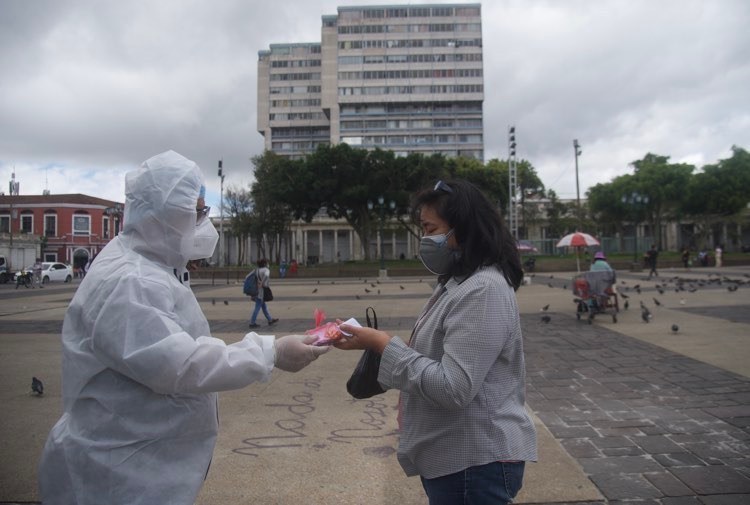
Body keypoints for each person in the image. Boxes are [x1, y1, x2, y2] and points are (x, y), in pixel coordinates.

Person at [37, 150, 329, 504]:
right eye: (198, 211)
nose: (204, 222)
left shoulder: (148, 265)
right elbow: (179, 364)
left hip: (138, 464)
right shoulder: (130, 280)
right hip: (118, 476)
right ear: (166, 214)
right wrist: (270, 352)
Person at [335, 179, 537, 504]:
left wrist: (383, 345)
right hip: (457, 459)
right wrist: (371, 342)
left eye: (430, 229)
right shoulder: (458, 284)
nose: (425, 240)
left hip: (475, 463)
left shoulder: (482, 290)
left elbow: (454, 387)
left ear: (463, 229)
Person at [248, 258, 279, 328]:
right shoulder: (266, 270)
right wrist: (262, 282)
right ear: (265, 264)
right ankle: (252, 323)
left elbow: (248, 276)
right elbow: (267, 275)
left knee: (263, 306)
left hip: (256, 290)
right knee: (258, 306)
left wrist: (256, 283)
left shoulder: (256, 270)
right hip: (262, 290)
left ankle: (270, 320)